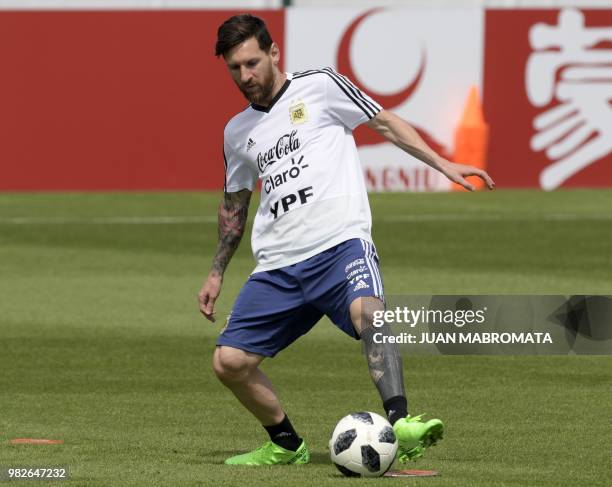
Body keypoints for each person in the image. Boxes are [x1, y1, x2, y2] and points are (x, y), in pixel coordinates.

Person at [199, 13, 495, 467]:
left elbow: (385, 122)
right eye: (235, 68)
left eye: (252, 63)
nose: (245, 76)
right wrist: (217, 271)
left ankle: (401, 423)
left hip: (339, 245)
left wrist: (442, 163)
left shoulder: (321, 85)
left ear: (274, 53)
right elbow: (234, 205)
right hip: (278, 265)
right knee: (229, 362)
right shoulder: (237, 133)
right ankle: (284, 443)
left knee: (370, 314)